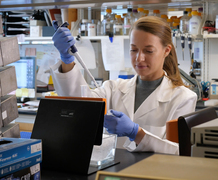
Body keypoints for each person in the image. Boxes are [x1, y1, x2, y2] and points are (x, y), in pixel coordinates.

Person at [50, 16, 197, 155]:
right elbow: (78, 103)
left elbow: (179, 151)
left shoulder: (183, 98)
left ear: (166, 51)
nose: (139, 58)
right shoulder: (113, 88)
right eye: (133, 50)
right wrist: (67, 59)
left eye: (148, 51)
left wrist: (136, 133)